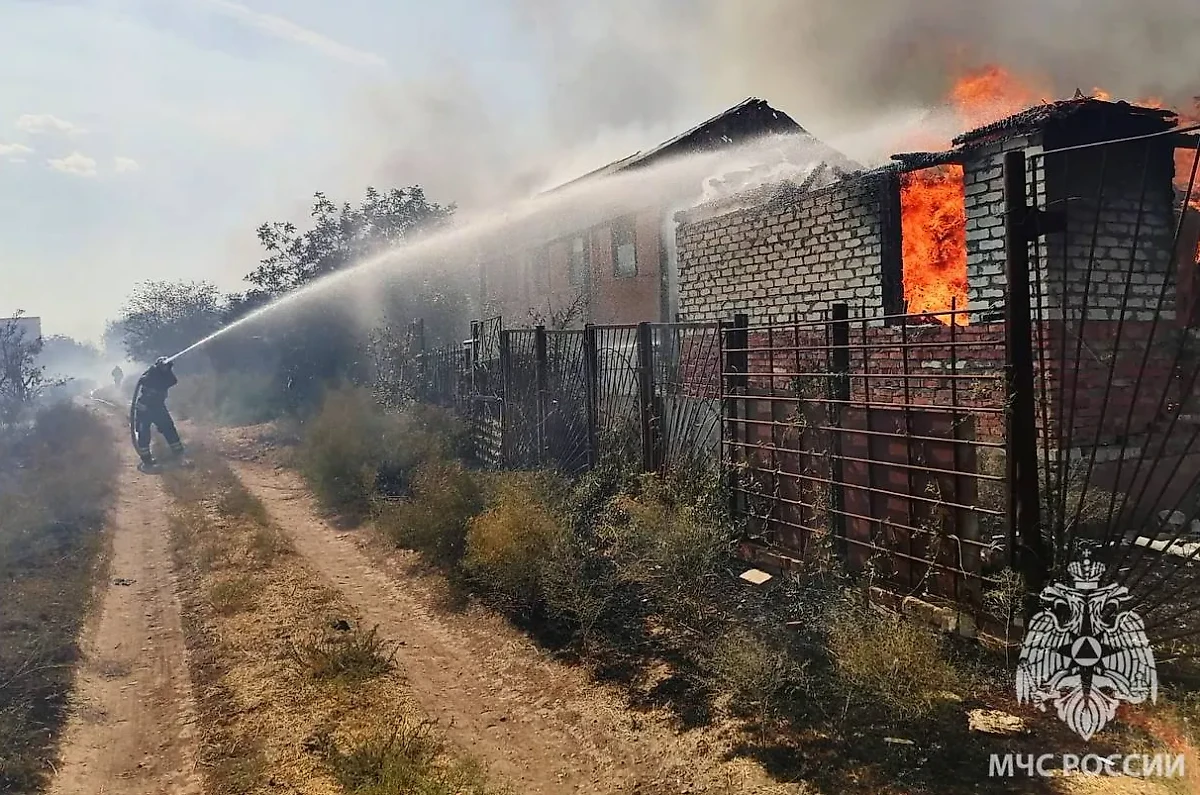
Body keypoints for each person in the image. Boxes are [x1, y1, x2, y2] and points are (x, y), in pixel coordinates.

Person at [133, 357, 184, 469]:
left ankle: (178, 453)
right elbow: (145, 380)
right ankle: (146, 460)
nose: (166, 368)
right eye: (164, 367)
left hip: (158, 407)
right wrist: (155, 369)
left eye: (167, 367)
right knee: (144, 433)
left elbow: (173, 381)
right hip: (144, 408)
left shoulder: (166, 377)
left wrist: (167, 369)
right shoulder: (150, 375)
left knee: (169, 428)